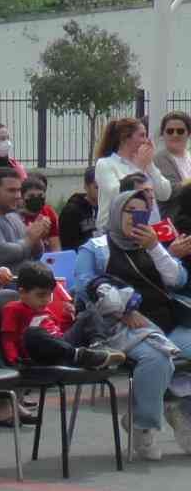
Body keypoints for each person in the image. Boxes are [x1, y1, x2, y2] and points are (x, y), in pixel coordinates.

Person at [88, 188, 191, 458]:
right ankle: (143, 425)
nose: (136, 217)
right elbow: (82, 289)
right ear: (115, 213)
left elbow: (178, 280)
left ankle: (181, 410)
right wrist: (124, 310)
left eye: (141, 212)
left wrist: (156, 248)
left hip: (167, 324)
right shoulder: (97, 249)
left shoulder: (154, 244)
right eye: (129, 212)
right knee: (158, 359)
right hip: (124, 326)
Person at [0, 262, 117, 369]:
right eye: (41, 295)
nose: (46, 300)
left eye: (50, 295)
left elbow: (58, 331)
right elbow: (8, 339)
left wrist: (71, 318)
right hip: (39, 355)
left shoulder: (45, 309)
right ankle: (80, 355)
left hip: (62, 347)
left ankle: (98, 347)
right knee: (33, 333)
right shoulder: (13, 308)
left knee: (90, 313)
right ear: (22, 292)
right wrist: (14, 361)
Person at [94, 117, 172, 223]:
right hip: (117, 231)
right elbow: (118, 193)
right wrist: (139, 168)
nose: (146, 141)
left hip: (148, 229)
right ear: (125, 138)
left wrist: (150, 166)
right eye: (142, 135)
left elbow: (165, 193)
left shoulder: (145, 163)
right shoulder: (105, 164)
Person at [0, 169, 48, 264]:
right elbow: (1, 253)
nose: (18, 196)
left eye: (19, 190)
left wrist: (37, 238)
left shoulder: (15, 216)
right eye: (11, 190)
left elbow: (36, 255)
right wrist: (29, 240)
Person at [155, 111, 191, 219]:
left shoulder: (189, 157)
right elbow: (171, 191)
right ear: (163, 134)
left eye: (180, 131)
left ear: (188, 133)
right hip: (175, 222)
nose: (175, 135)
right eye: (170, 131)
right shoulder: (159, 159)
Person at [17, 174, 61, 253]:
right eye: (31, 196)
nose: (36, 198)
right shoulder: (16, 217)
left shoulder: (48, 212)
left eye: (40, 195)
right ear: (23, 197)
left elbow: (55, 247)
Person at [59, 166, 100, 250]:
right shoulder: (72, 212)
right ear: (86, 186)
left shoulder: (108, 207)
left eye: (104, 187)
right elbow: (67, 244)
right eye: (97, 187)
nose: (101, 191)